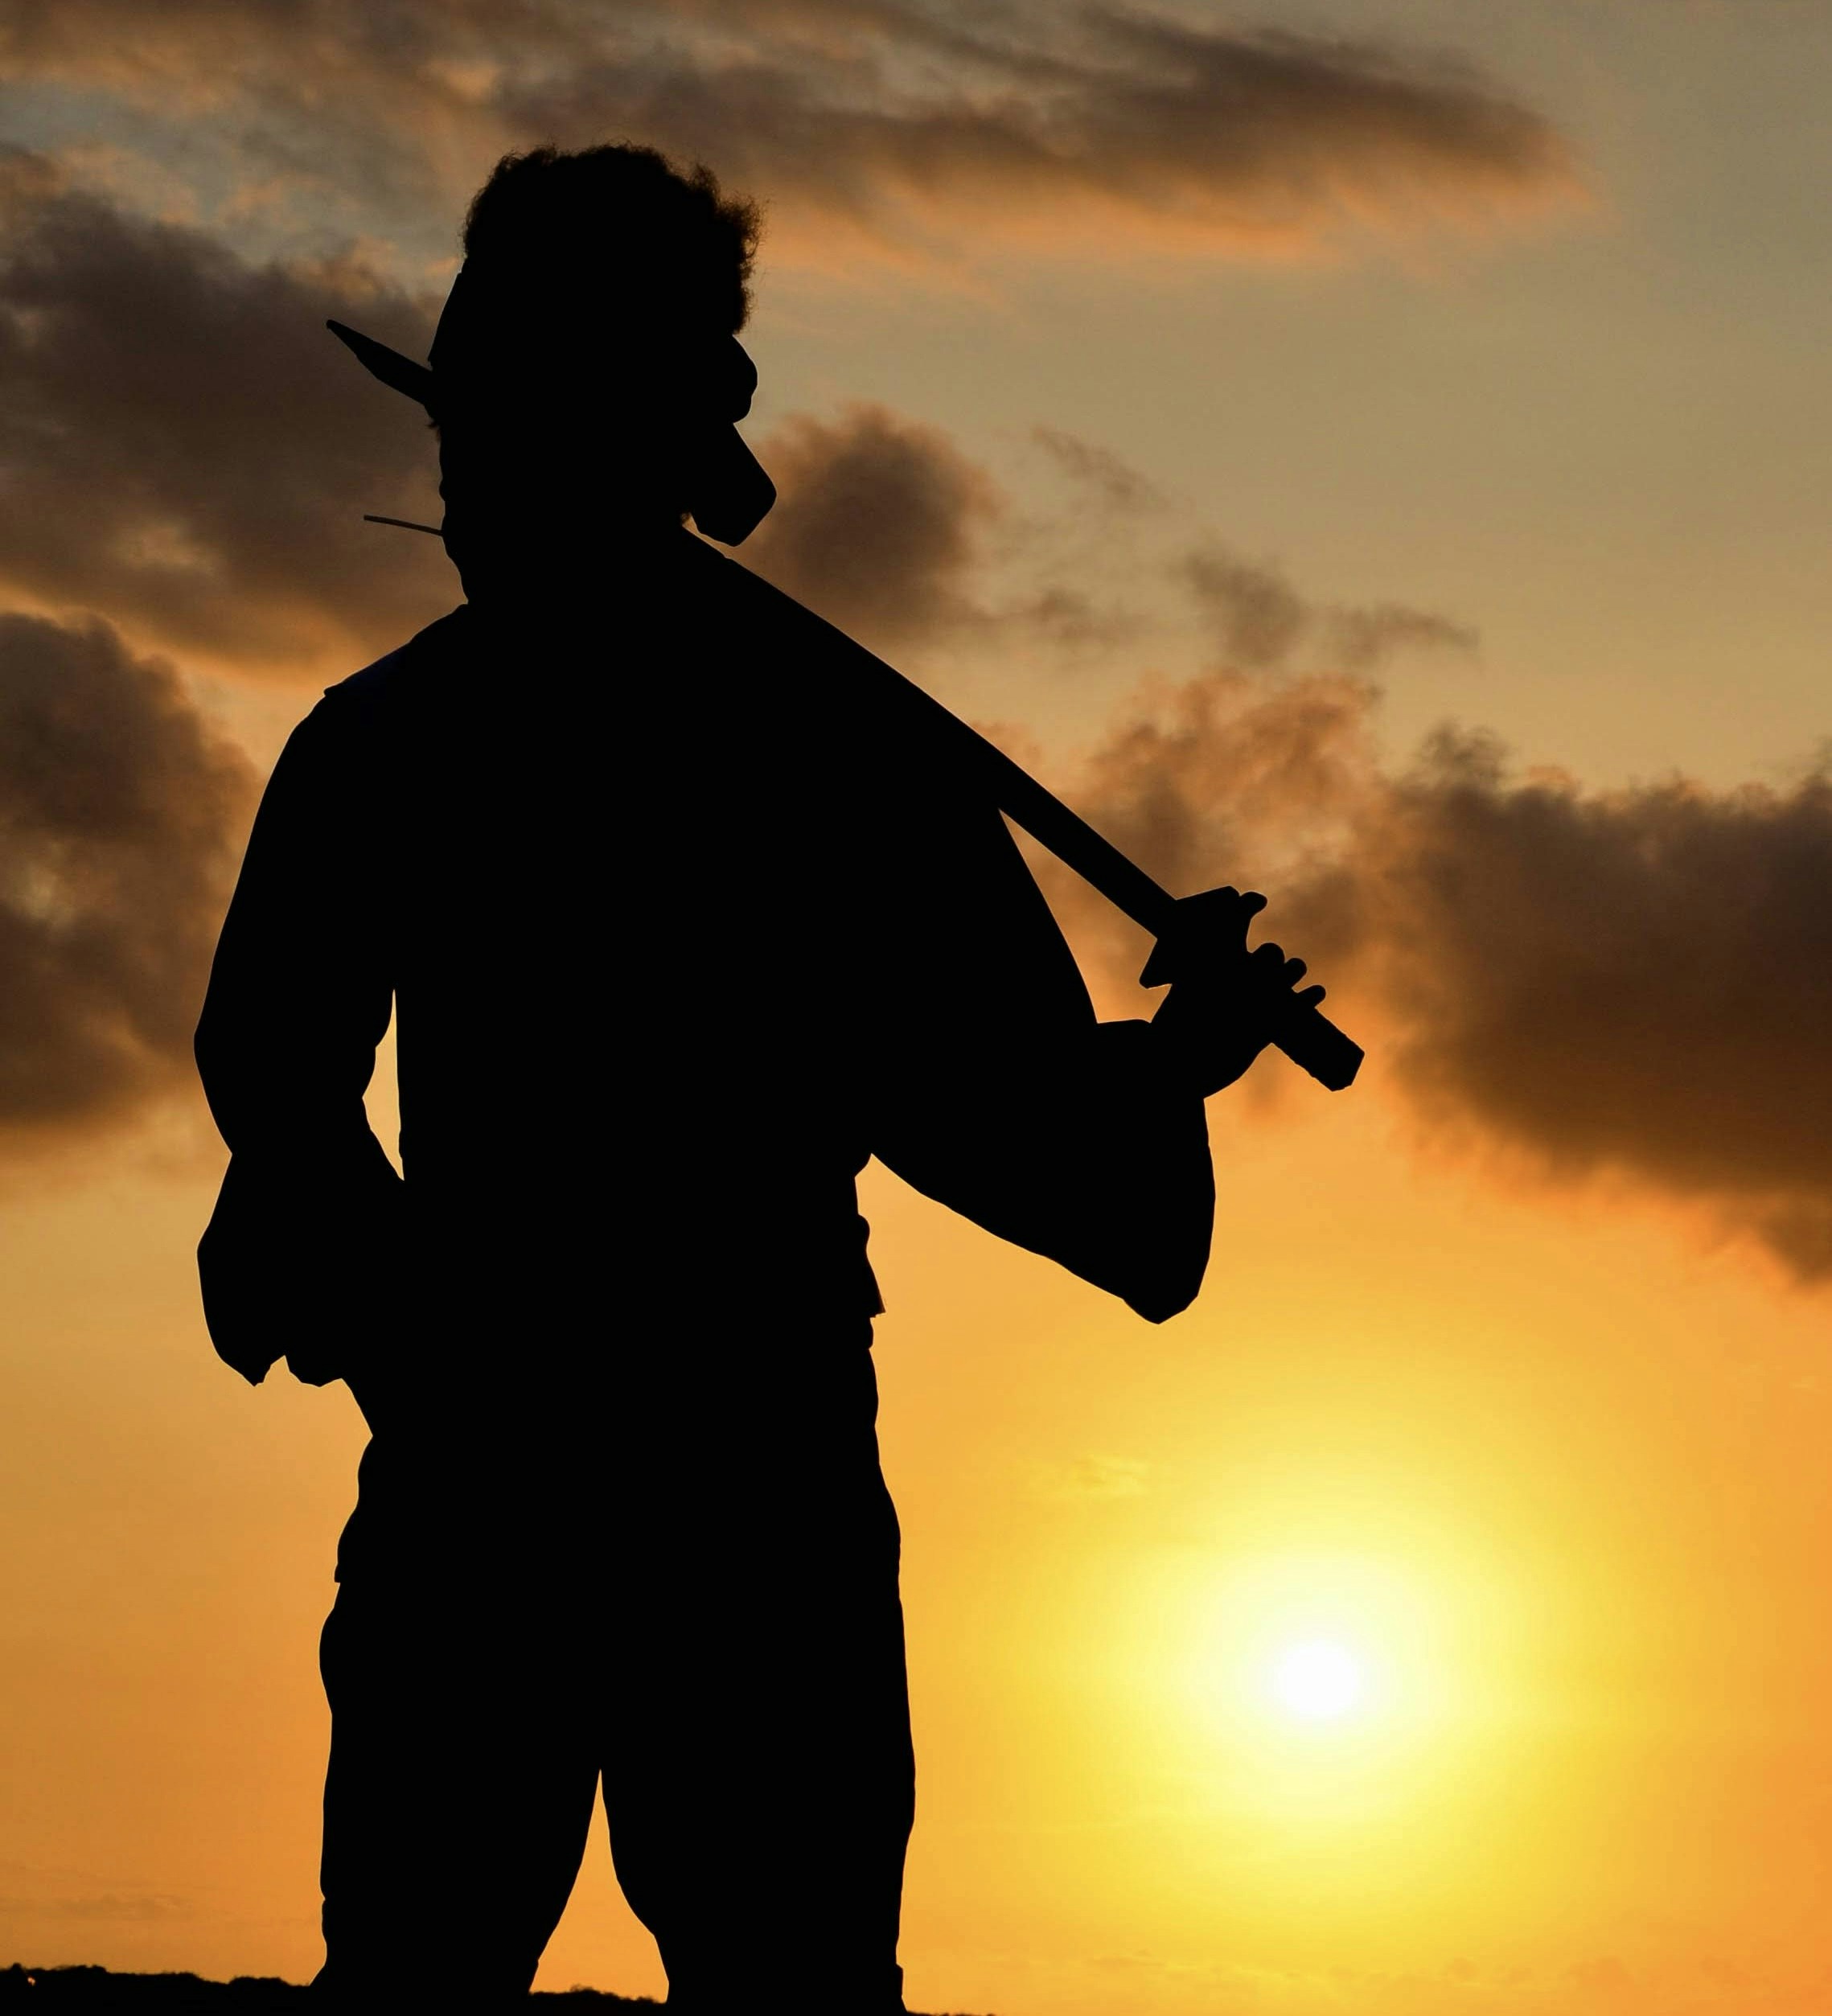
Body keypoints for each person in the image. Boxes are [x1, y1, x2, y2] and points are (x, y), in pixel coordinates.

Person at [194, 142, 1321, 2012]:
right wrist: (1169, 1074)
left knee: (562, 1970)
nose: (456, 489)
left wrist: (408, 1325)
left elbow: (275, 1083)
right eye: (454, 445)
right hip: (687, 1480)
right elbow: (1055, 1158)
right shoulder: (824, 763)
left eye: (482, 442)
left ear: (584, 445)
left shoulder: (409, 741)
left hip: (631, 1489)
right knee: (605, 1973)